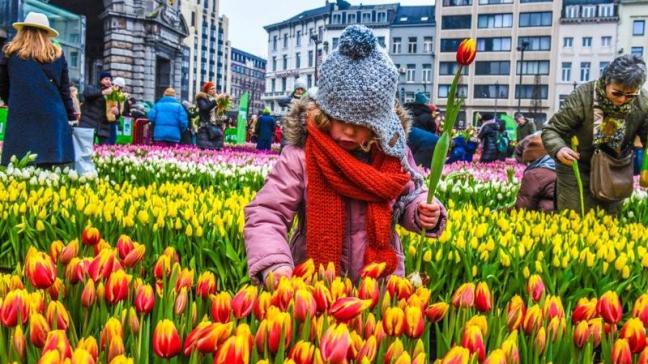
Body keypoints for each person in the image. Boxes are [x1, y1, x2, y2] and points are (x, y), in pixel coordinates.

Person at [244, 25, 447, 285]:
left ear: (379, 123)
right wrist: (275, 264)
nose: (349, 130)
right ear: (324, 112)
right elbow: (267, 212)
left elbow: (407, 196)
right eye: (340, 118)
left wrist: (421, 211)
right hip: (314, 284)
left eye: (361, 123)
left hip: (378, 285)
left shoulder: (391, 155)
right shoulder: (302, 156)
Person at [542, 54, 648, 214]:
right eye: (617, 93)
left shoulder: (643, 102)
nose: (622, 100)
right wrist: (559, 149)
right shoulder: (583, 96)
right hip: (577, 166)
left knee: (608, 221)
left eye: (630, 95)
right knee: (574, 218)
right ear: (606, 81)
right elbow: (552, 130)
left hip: (614, 168)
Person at [0, 12, 76, 167]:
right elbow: (64, 91)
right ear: (46, 33)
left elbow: (2, 85)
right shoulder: (57, 55)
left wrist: (15, 101)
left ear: (23, 30)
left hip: (21, 115)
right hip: (53, 115)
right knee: (49, 169)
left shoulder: (10, 53)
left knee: (20, 168)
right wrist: (70, 115)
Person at [514, 132, 556, 212]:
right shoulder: (562, 168)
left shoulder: (534, 174)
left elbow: (523, 206)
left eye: (528, 162)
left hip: (545, 217)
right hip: (569, 217)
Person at [79, 71, 119, 144]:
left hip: (104, 127)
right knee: (87, 149)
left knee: (104, 151)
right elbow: (87, 94)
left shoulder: (113, 94)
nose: (109, 81)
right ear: (100, 80)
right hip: (89, 124)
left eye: (110, 80)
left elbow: (115, 115)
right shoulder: (92, 87)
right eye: (106, 79)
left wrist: (117, 113)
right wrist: (102, 92)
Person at [405, 93, 439, 168]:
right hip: (425, 145)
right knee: (420, 170)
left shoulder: (408, 112)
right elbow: (433, 129)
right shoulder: (428, 116)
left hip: (409, 142)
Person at [195, 81, 224, 150]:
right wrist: (216, 100)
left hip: (216, 129)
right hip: (206, 129)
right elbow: (205, 108)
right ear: (207, 90)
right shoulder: (201, 99)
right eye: (211, 89)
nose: (214, 90)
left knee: (216, 150)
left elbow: (219, 114)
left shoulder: (216, 99)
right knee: (205, 150)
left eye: (214, 88)